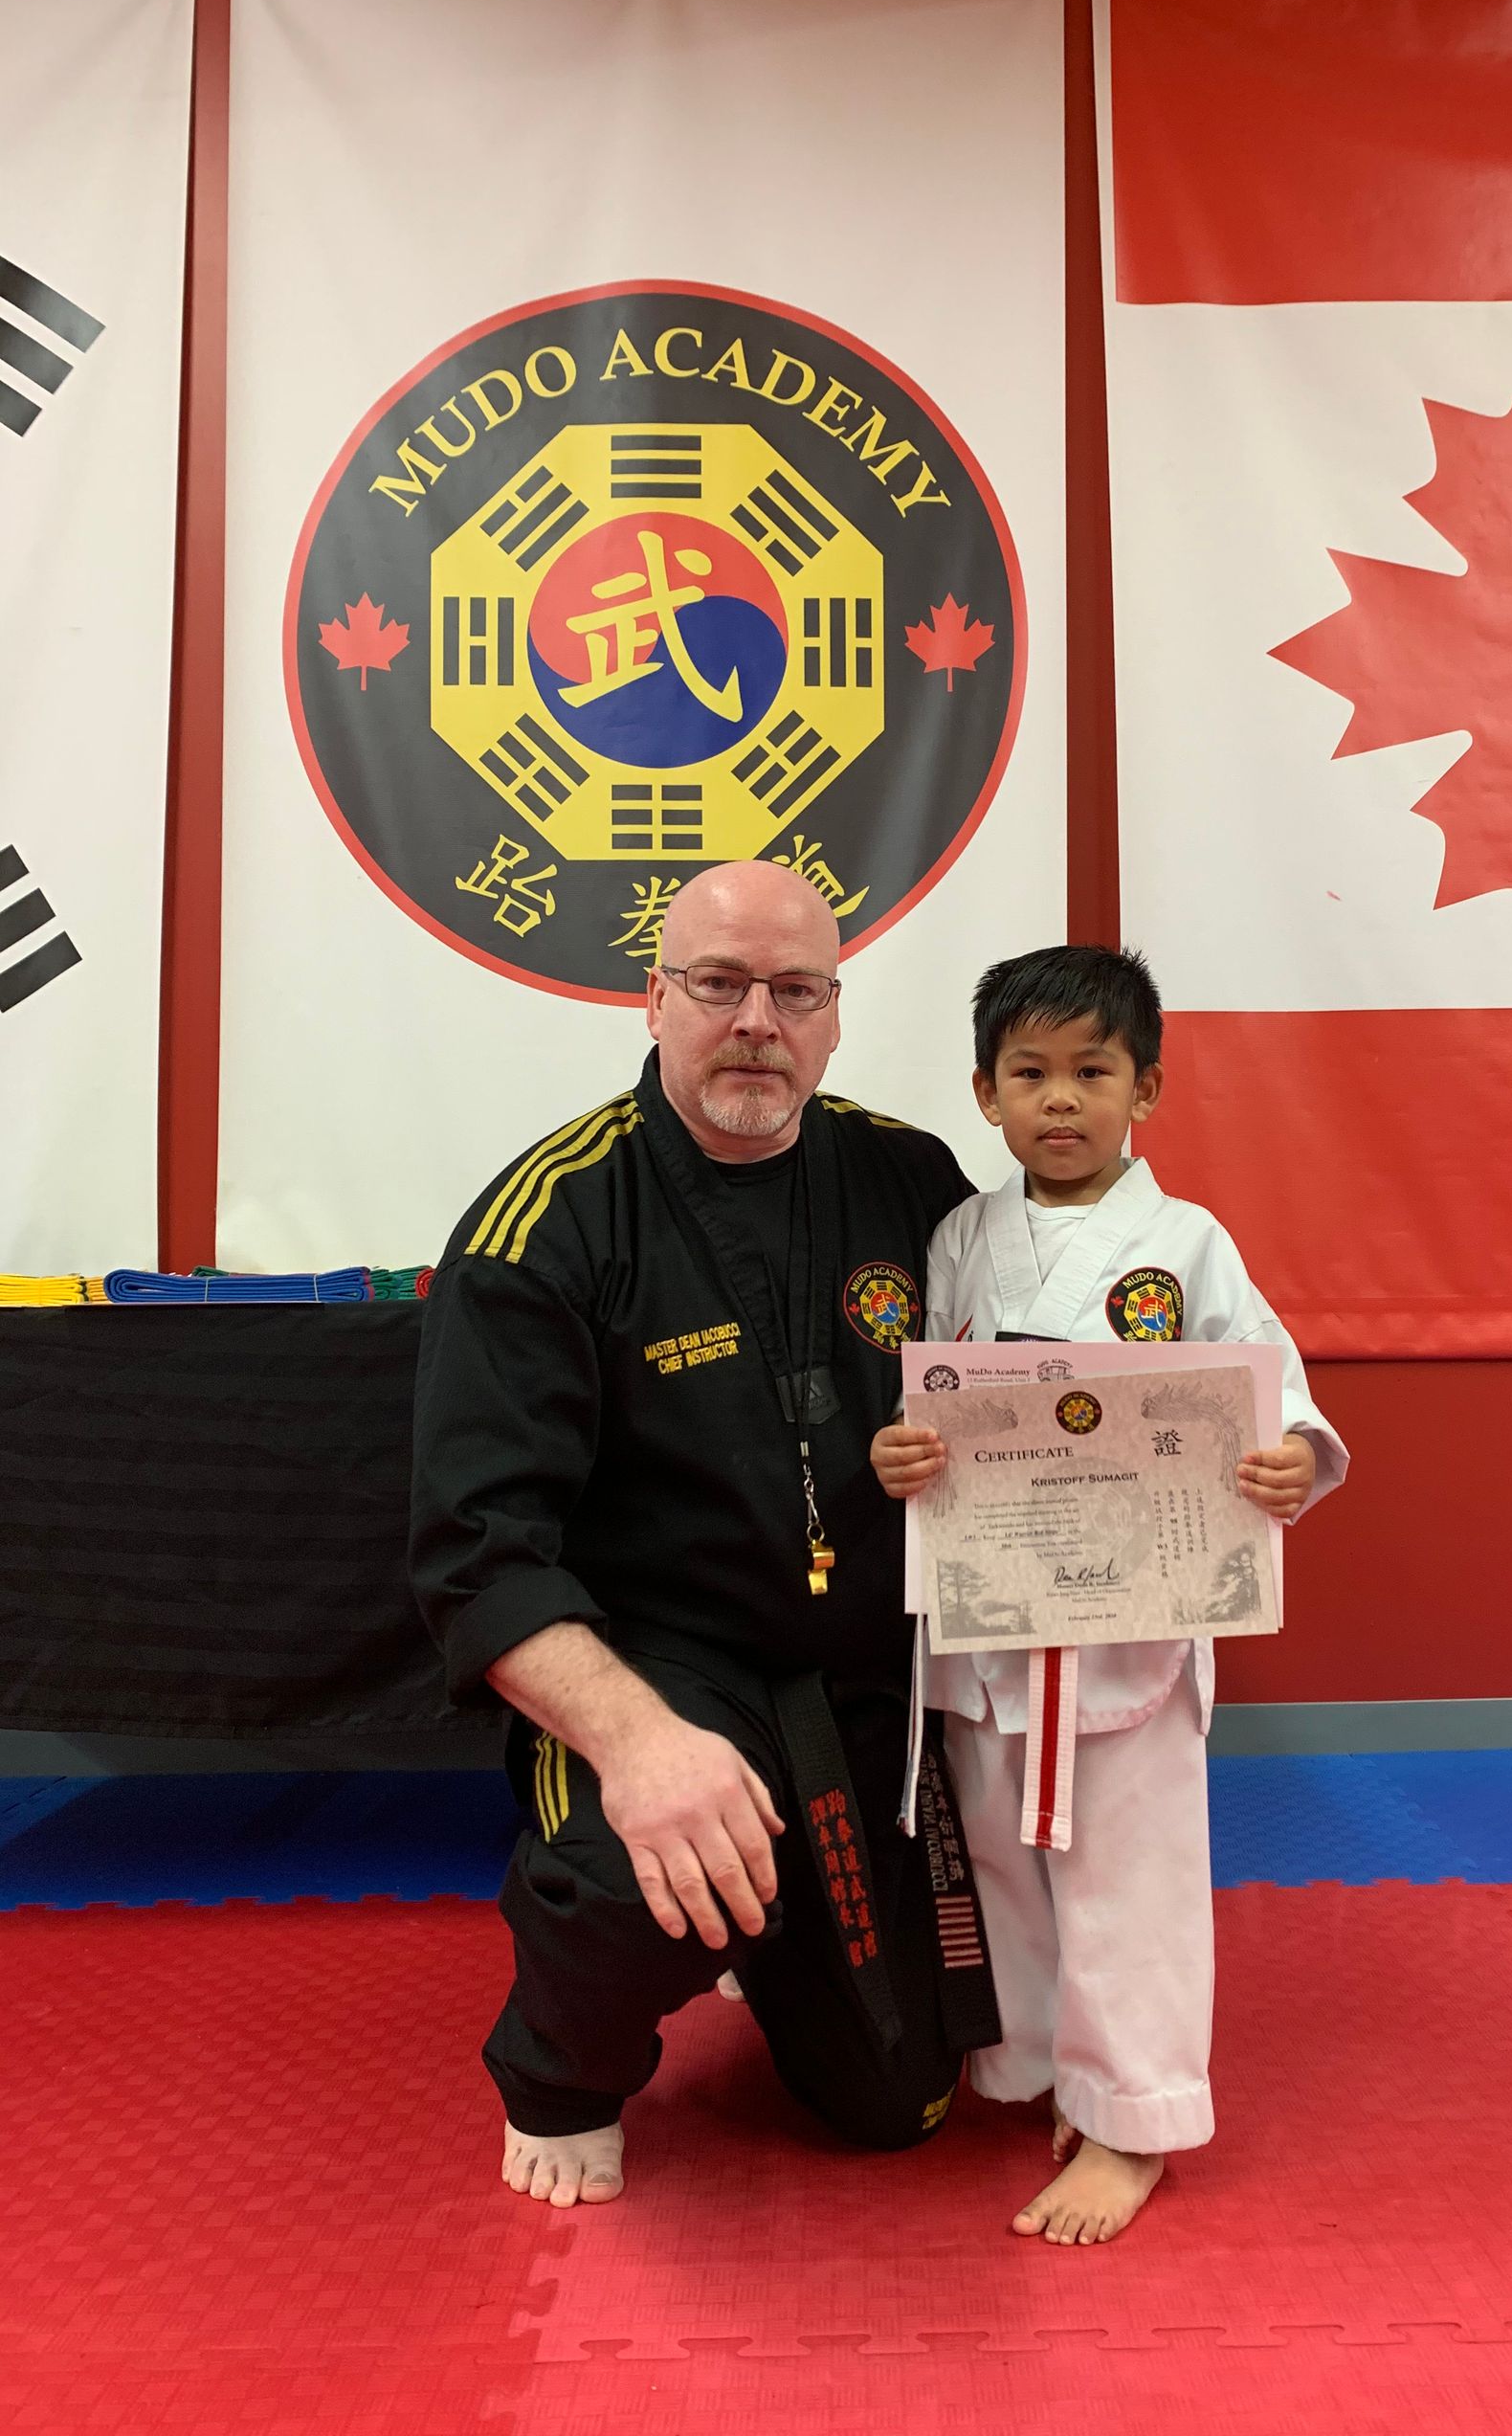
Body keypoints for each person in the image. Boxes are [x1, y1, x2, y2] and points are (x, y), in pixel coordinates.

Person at [411, 860, 1001, 2210]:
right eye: (719, 983)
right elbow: (476, 1551)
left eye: (795, 991)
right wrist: (638, 1746)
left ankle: (767, 1917)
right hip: (662, 1667)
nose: (756, 1023)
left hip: (863, 1676)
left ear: (835, 1014)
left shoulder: (910, 1177)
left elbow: (1027, 1386)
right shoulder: (550, 1220)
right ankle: (557, 2071)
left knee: (897, 2105)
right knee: (635, 1876)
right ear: (655, 998)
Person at [871, 944, 1347, 2246]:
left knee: (1130, 1875)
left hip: (1132, 1629)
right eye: (1030, 1073)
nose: (1061, 1099)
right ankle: (1035, 2064)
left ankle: (1132, 2118)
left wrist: (1289, 1455)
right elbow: (927, 1395)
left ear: (1147, 1090)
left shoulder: (1187, 1242)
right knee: (1003, 1862)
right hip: (993, 1623)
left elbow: (1268, 1381)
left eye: (1093, 1071)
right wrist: (900, 1452)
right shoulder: (962, 1237)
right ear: (986, 1093)